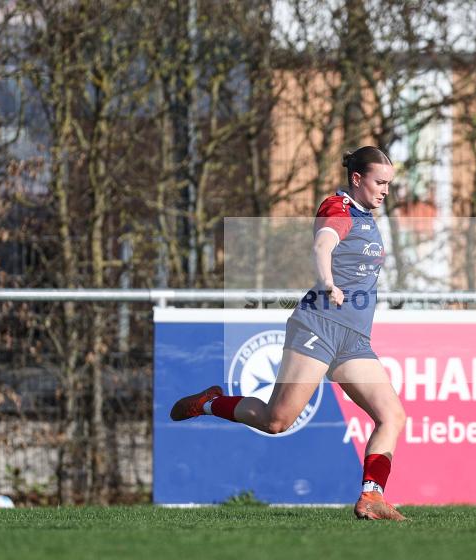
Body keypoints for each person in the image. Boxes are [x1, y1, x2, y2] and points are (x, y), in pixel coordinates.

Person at [171, 146, 407, 521]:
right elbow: (323, 243)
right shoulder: (338, 207)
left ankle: (372, 496)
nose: (385, 191)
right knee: (277, 421)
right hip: (319, 326)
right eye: (380, 182)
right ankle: (212, 402)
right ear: (357, 179)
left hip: (354, 340)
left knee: (392, 416)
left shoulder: (367, 215)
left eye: (389, 184)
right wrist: (328, 281)